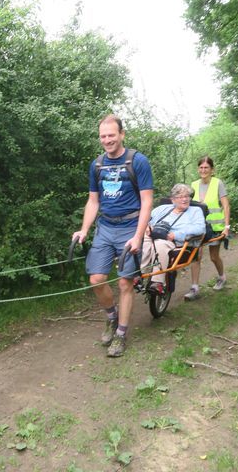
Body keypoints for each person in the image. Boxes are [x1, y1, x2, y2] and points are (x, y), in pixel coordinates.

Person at [72, 114, 153, 358]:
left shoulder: (137, 161)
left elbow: (147, 201)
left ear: (121, 134)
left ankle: (120, 334)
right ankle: (111, 316)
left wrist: (138, 236)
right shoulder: (96, 165)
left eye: (111, 135)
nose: (107, 140)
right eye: (103, 136)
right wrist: (84, 229)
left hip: (130, 226)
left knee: (124, 282)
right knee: (96, 279)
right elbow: (93, 201)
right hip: (105, 228)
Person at [141, 184, 207, 294]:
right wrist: (148, 227)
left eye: (187, 196)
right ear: (172, 199)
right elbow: (146, 218)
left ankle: (157, 282)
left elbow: (200, 228)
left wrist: (175, 235)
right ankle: (139, 274)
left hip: (176, 242)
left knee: (160, 244)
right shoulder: (162, 209)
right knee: (141, 239)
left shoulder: (195, 211)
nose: (185, 199)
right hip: (155, 235)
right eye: (180, 197)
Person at [184, 156, 231, 300]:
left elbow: (226, 205)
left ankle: (222, 277)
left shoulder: (218, 183)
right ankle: (195, 289)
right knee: (195, 257)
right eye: (201, 167)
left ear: (212, 169)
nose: (203, 170)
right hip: (198, 227)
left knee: (213, 257)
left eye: (206, 168)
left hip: (215, 227)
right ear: (198, 169)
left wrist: (227, 226)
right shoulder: (193, 184)